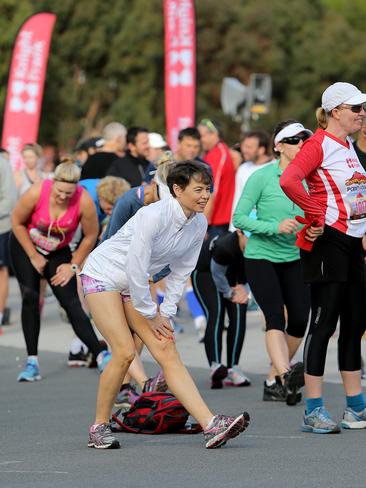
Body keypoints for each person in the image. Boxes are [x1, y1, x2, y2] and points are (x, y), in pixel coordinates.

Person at [81, 160, 250, 449]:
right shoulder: (153, 215)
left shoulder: (198, 223)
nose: (205, 195)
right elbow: (136, 267)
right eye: (198, 189)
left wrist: (167, 313)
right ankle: (98, 426)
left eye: (208, 189)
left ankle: (211, 424)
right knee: (123, 351)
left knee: (166, 347)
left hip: (135, 283)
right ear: (177, 189)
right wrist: (151, 312)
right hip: (103, 274)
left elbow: (181, 271)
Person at [280, 82, 366, 432]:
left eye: (362, 108)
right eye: (355, 108)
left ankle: (355, 407)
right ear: (334, 111)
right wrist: (316, 214)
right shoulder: (317, 144)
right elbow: (289, 180)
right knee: (324, 323)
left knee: (356, 323)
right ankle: (313, 409)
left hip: (352, 243)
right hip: (327, 242)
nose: (362, 113)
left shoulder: (348, 146)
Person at [10, 158, 110, 382]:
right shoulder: (37, 191)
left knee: (71, 301)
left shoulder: (83, 200)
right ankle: (32, 362)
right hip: (26, 245)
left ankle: (101, 355)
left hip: (58, 250)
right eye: (60, 191)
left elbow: (91, 234)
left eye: (69, 192)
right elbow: (16, 222)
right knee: (30, 296)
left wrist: (73, 264)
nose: (64, 196)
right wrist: (33, 256)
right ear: (53, 182)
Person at [233, 120, 312, 405]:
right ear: (278, 146)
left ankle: (273, 380)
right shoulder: (262, 177)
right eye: (293, 140)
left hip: (294, 256)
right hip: (261, 256)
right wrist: (273, 226)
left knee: (301, 318)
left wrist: (313, 228)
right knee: (275, 316)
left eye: (304, 138)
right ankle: (285, 372)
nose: (300, 143)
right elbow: (239, 218)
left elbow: (317, 214)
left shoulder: (311, 177)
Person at [192, 230, 251, 388]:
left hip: (232, 275)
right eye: (250, 238)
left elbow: (254, 274)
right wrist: (230, 293)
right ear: (240, 233)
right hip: (206, 273)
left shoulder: (259, 247)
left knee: (239, 311)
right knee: (216, 312)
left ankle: (233, 368)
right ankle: (215, 366)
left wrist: (244, 292)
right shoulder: (225, 246)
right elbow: (217, 274)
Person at [198, 119, 236, 239]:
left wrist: (204, 222)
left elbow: (213, 190)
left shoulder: (218, 154)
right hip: (214, 218)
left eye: (202, 136)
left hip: (217, 220)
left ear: (214, 134)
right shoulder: (213, 152)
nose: (200, 140)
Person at [229, 131, 273, 231]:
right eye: (243, 146)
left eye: (249, 147)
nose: (244, 150)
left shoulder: (275, 168)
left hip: (266, 228)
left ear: (261, 150)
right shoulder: (243, 168)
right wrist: (234, 229)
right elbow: (238, 199)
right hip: (242, 228)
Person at [0, 150, 17, 328]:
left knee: (1, 271)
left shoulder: (2, 164)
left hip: (1, 227)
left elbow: (9, 198)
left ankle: (0, 313)